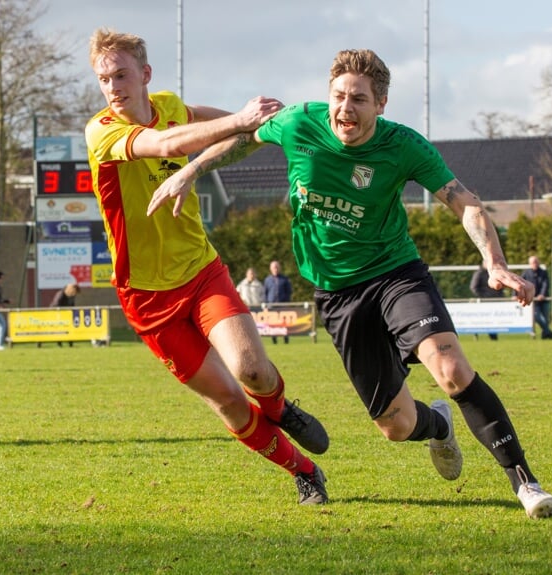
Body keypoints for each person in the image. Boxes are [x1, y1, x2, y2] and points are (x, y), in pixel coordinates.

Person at [149, 48, 552, 518]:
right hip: (337, 294)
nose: (345, 109)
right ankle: (439, 426)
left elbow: (463, 201)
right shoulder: (301, 122)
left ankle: (525, 482)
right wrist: (191, 169)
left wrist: (494, 261)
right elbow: (247, 137)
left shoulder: (404, 145)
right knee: (397, 425)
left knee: (450, 369)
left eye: (359, 99)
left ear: (381, 104)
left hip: (395, 274)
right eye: (339, 96)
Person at [85, 28, 329, 505]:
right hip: (146, 299)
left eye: (121, 75)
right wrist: (240, 117)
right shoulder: (102, 131)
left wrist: (257, 128)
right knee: (229, 403)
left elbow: (203, 124)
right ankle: (304, 471)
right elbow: (166, 145)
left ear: (145, 75)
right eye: (103, 79)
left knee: (252, 371)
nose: (113, 87)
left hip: (201, 272)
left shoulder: (170, 104)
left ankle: (280, 408)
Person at [522, 256, 552, 340]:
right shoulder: (526, 273)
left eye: (536, 262)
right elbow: (520, 283)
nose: (535, 264)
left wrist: (542, 294)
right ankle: (548, 332)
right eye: (533, 262)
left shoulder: (543, 272)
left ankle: (545, 334)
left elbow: (545, 284)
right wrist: (515, 294)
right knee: (538, 317)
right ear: (530, 264)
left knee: (545, 319)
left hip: (543, 299)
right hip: (533, 301)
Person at [469, 263, 504, 340]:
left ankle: (493, 337)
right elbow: (474, 287)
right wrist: (483, 296)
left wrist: (500, 296)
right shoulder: (479, 273)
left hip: (495, 301)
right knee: (484, 319)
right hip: (485, 301)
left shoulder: (495, 273)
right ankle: (476, 334)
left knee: (493, 320)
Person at [263, 260, 293, 344]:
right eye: (273, 267)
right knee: (273, 324)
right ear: (270, 269)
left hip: (283, 305)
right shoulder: (267, 280)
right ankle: (274, 340)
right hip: (271, 306)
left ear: (279, 268)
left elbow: (289, 291)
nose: (275, 269)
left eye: (277, 267)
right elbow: (265, 293)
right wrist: (265, 305)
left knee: (284, 323)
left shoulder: (285, 279)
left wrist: (287, 302)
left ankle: (286, 340)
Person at [48, 283, 80, 347]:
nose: (75, 294)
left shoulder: (72, 296)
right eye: (75, 291)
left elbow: (72, 305)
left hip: (66, 314)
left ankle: (70, 343)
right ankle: (59, 343)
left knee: (70, 328)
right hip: (57, 314)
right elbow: (56, 304)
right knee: (59, 329)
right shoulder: (60, 294)